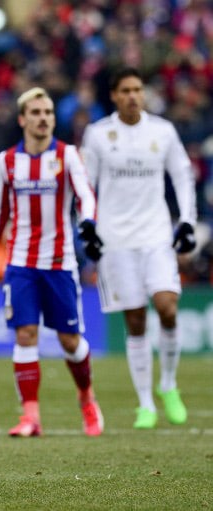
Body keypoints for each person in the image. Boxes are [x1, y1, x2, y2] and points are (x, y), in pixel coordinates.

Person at [0, 87, 104, 438]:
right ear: (22, 119)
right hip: (20, 264)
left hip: (60, 263)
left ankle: (87, 398)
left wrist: (88, 222)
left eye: (47, 112)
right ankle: (31, 416)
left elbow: (85, 195)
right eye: (36, 112)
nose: (43, 118)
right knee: (26, 333)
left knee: (69, 341)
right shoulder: (7, 161)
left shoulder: (67, 155)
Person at [80, 67, 197, 429]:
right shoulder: (99, 134)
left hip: (156, 236)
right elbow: (86, 183)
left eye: (138, 89)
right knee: (134, 320)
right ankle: (145, 403)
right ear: (114, 96)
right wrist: (88, 224)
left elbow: (182, 175)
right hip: (116, 241)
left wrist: (187, 221)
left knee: (168, 308)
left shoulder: (162, 131)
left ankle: (168, 385)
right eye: (126, 90)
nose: (133, 95)